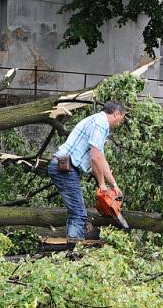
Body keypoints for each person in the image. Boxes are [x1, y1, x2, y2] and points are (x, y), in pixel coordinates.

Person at [48, 101, 126, 245]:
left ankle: (72, 249)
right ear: (116, 114)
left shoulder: (98, 121)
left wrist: (114, 185)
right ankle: (75, 251)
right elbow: (94, 157)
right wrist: (102, 185)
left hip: (67, 167)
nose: (119, 123)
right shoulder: (100, 124)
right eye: (121, 119)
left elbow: (101, 160)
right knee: (78, 213)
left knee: (76, 212)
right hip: (65, 167)